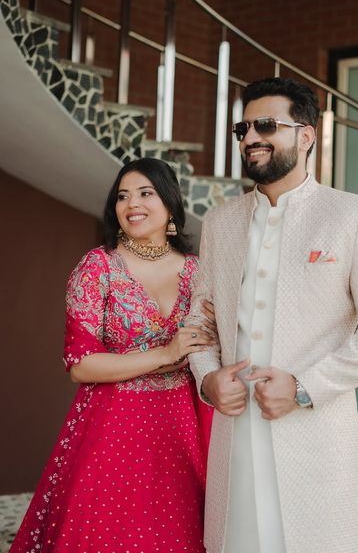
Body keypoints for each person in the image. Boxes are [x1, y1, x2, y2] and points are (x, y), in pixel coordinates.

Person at [188, 77, 358, 553]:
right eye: (243, 128)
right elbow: (200, 323)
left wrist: (305, 387)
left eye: (266, 125)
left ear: (305, 135)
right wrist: (207, 378)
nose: (250, 138)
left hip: (314, 441)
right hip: (235, 439)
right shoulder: (220, 223)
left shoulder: (352, 215)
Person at [11, 157, 215, 553]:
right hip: (114, 424)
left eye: (145, 193)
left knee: (183, 534)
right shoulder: (98, 267)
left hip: (183, 425)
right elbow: (81, 365)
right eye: (122, 196)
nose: (131, 204)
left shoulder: (197, 271)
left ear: (170, 204)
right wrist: (165, 353)